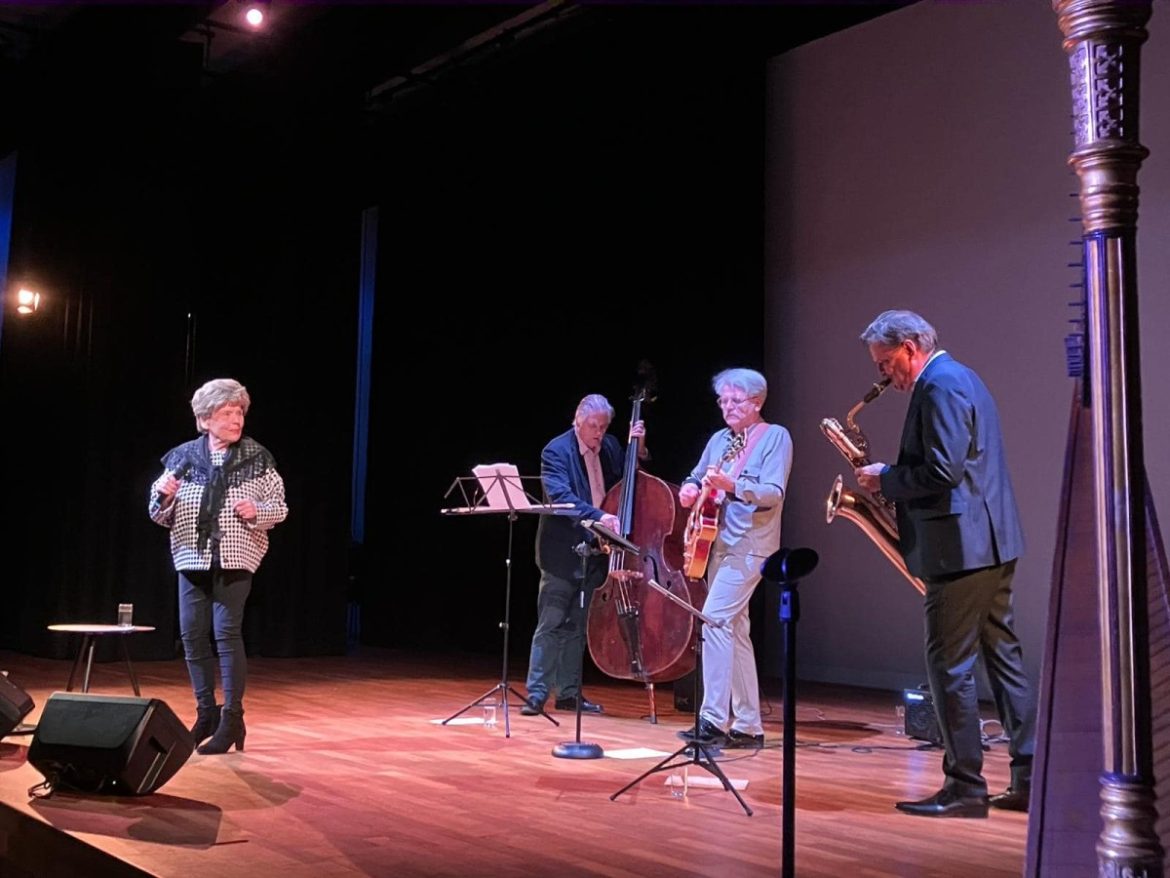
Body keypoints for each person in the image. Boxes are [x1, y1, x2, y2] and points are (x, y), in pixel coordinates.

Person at [854, 310, 1036, 818]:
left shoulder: (939, 386)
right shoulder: (963, 377)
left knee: (948, 666)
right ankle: (1028, 778)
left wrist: (885, 479)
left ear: (912, 346)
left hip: (961, 550)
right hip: (988, 545)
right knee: (1004, 663)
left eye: (888, 363)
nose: (885, 375)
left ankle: (965, 789)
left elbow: (941, 469)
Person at [149, 378, 288, 755]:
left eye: (239, 412)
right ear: (205, 418)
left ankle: (233, 719)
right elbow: (156, 511)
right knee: (192, 637)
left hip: (237, 557)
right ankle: (206, 714)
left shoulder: (256, 458)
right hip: (191, 556)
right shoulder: (181, 458)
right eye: (227, 413)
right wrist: (165, 497)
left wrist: (258, 511)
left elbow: (280, 507)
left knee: (226, 634)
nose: (236, 419)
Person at [677, 368, 793, 749]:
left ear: (756, 402)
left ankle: (712, 719)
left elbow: (773, 492)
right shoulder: (718, 440)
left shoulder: (774, 437)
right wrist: (690, 491)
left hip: (751, 544)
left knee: (714, 622)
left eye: (735, 400)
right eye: (722, 400)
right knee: (734, 630)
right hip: (717, 544)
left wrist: (734, 486)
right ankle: (748, 724)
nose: (726, 407)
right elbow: (695, 476)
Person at [521, 394, 645, 717]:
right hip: (561, 551)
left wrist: (638, 447)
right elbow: (560, 496)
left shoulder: (610, 447)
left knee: (578, 627)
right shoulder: (556, 451)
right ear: (578, 420)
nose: (599, 434)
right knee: (551, 622)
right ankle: (536, 694)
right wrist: (599, 517)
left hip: (597, 551)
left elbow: (627, 480)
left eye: (603, 427)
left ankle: (568, 694)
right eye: (593, 426)